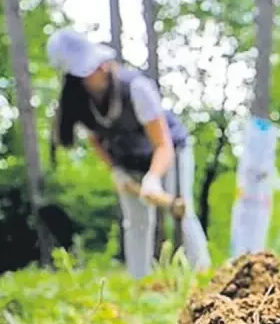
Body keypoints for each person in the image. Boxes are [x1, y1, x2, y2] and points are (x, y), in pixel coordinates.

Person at [47, 28, 212, 278]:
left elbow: (162, 144)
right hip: (128, 160)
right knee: (135, 221)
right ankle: (139, 283)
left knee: (181, 212)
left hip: (169, 151)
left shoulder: (136, 88)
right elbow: (97, 141)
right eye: (90, 68)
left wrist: (154, 179)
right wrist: (116, 171)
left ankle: (203, 274)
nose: (101, 68)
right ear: (76, 77)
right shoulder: (79, 102)